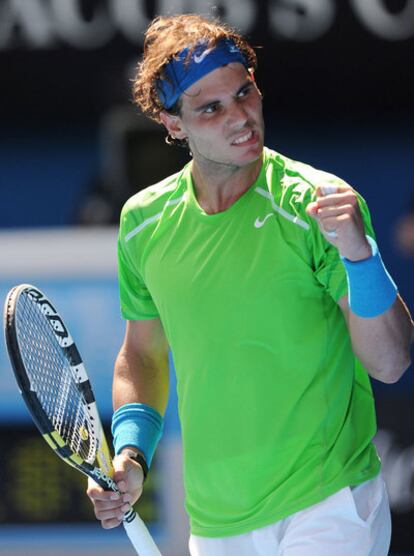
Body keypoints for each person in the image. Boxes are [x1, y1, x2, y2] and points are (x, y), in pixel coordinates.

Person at [87, 13, 414, 556]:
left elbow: (391, 362)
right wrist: (131, 453)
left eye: (245, 92)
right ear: (173, 125)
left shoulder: (317, 204)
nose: (240, 116)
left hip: (330, 505)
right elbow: (141, 354)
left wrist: (360, 255)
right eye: (210, 108)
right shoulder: (141, 224)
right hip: (217, 523)